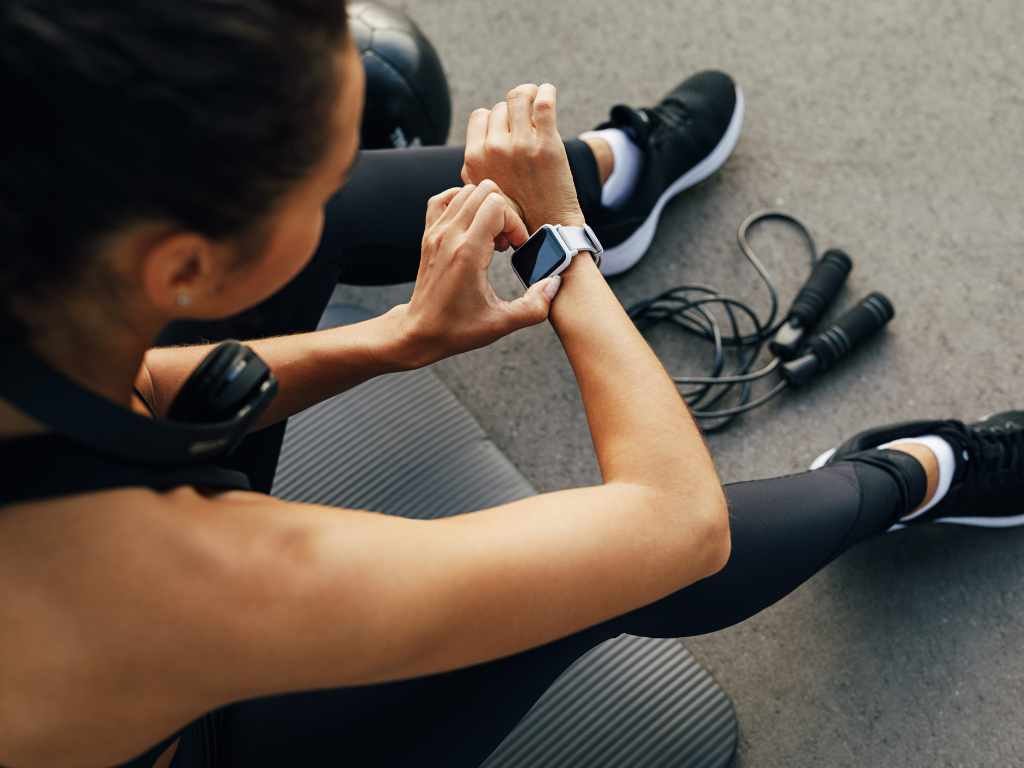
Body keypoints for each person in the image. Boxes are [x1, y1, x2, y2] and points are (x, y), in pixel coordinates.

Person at [0, 3, 1021, 767]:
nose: (338, 178)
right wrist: (558, 251)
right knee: (591, 578)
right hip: (202, 728)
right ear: (182, 274)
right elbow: (675, 527)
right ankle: (907, 477)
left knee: (322, 206)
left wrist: (393, 338)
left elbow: (145, 384)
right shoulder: (196, 585)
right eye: (317, 177)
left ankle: (604, 192)